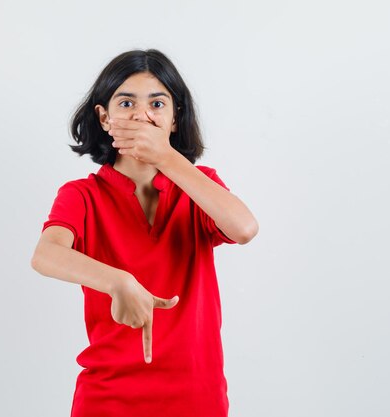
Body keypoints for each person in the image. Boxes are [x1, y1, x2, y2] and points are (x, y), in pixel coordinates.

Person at [30, 49, 259, 417]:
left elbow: (245, 228)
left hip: (197, 396)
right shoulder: (82, 195)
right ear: (104, 117)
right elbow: (46, 255)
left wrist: (166, 158)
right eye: (126, 103)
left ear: (174, 118)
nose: (142, 115)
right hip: (107, 398)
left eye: (157, 103)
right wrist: (118, 281)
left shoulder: (201, 187)